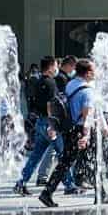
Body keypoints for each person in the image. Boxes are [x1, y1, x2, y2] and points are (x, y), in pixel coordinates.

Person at [40, 58, 108, 208]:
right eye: (94, 70)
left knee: (66, 162)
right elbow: (87, 115)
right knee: (91, 161)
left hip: (70, 129)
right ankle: (99, 194)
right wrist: (86, 135)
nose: (95, 73)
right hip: (81, 130)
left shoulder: (71, 84)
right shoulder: (88, 91)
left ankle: (47, 192)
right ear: (88, 73)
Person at [14, 57, 64, 195]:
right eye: (55, 66)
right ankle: (70, 185)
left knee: (35, 156)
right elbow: (51, 104)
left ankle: (21, 182)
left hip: (40, 122)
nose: (56, 68)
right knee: (63, 155)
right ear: (50, 67)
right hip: (49, 123)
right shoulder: (51, 83)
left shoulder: (37, 82)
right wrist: (52, 125)